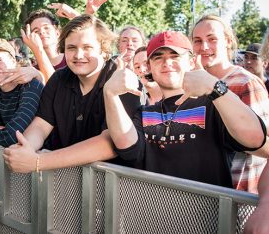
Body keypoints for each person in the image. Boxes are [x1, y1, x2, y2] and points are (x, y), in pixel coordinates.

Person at [103, 30, 267, 188]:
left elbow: (254, 139)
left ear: (191, 62)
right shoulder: (145, 113)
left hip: (206, 215)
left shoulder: (214, 105)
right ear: (150, 67)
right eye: (158, 58)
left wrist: (215, 87)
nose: (167, 63)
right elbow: (128, 149)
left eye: (175, 56)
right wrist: (110, 94)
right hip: (151, 213)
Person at [3, 14, 141, 173]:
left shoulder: (121, 80)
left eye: (87, 47)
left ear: (103, 51)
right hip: (62, 181)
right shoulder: (59, 78)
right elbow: (41, 124)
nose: (78, 55)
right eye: (71, 48)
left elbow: (109, 144)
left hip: (110, 186)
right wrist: (25, 147)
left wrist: (38, 162)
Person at [191, 15, 269, 193]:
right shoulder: (190, 83)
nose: (204, 47)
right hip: (200, 194)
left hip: (236, 197)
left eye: (212, 39)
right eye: (197, 41)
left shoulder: (246, 83)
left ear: (227, 41)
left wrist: (235, 135)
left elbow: (266, 146)